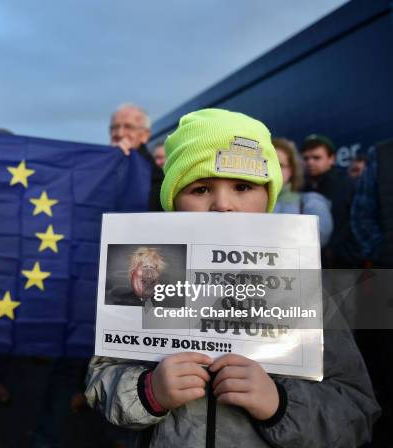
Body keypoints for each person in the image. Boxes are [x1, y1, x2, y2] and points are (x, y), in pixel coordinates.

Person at [85, 109, 379, 447]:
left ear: (269, 196)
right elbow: (101, 380)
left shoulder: (307, 287)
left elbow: (355, 409)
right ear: (173, 202)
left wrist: (280, 405)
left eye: (242, 186)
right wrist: (149, 392)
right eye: (200, 189)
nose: (223, 205)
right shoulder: (147, 277)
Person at [351, 140, 393, 446]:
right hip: (386, 276)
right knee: (384, 364)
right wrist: (384, 255)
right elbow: (362, 217)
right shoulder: (382, 154)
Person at [300, 134, 357, 268]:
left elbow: (359, 221)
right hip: (312, 265)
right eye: (306, 158)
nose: (310, 162)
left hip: (344, 264)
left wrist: (352, 255)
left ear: (331, 159)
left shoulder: (346, 184)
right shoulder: (300, 188)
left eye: (316, 157)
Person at [272, 137, 333, 246]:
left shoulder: (312, 203)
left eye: (280, 165)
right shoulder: (247, 204)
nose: (272, 170)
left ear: (292, 169)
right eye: (266, 165)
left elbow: (317, 243)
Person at [110, 103, 163, 211]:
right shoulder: (100, 167)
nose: (120, 133)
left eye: (128, 127)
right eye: (115, 127)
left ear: (145, 135)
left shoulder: (154, 176)